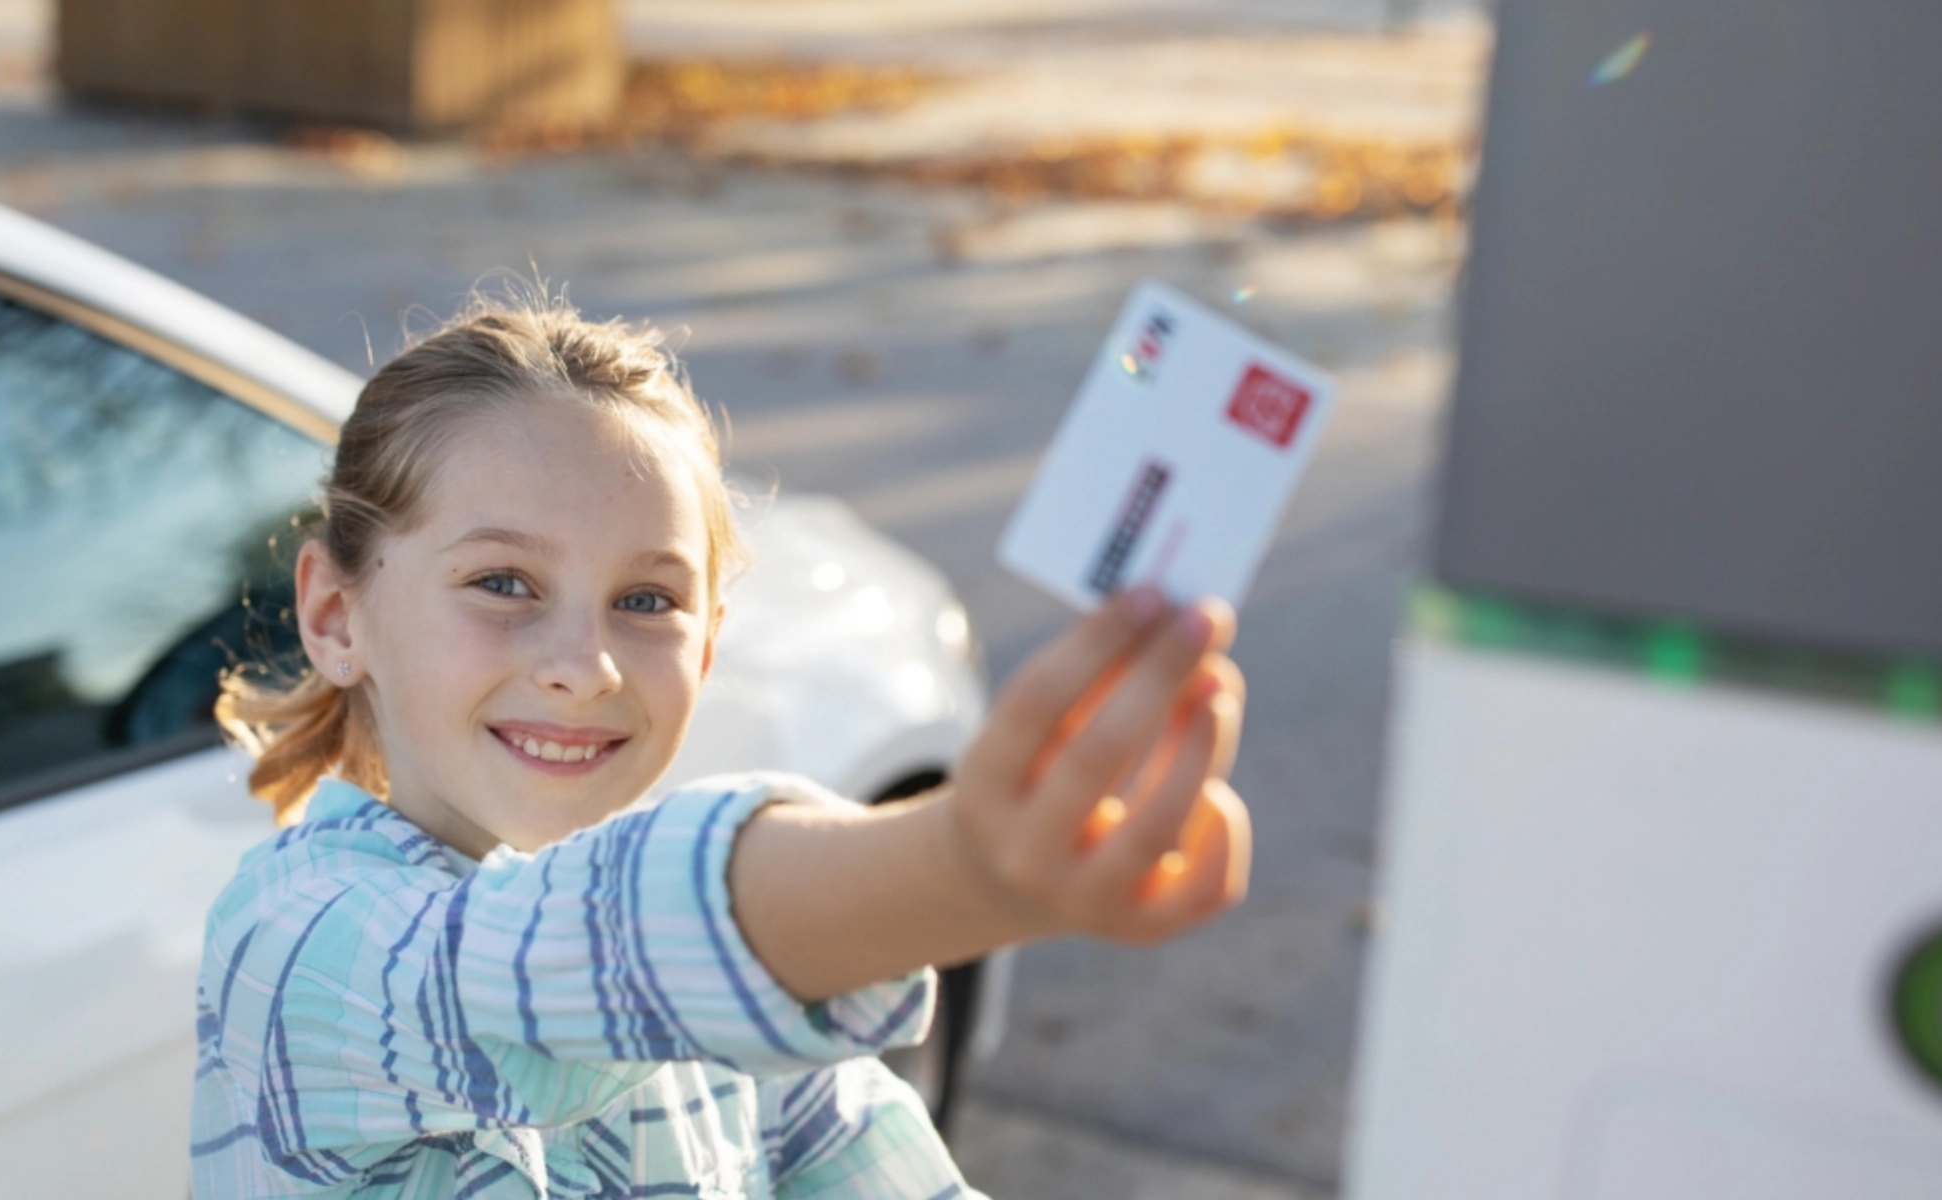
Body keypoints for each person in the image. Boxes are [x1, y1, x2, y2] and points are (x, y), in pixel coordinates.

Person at [190, 292, 1250, 1198]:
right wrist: (964, 868)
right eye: (502, 583)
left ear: (707, 648)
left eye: (646, 599)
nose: (585, 664)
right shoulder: (298, 940)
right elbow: (550, 957)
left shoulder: (729, 1015)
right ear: (335, 616)